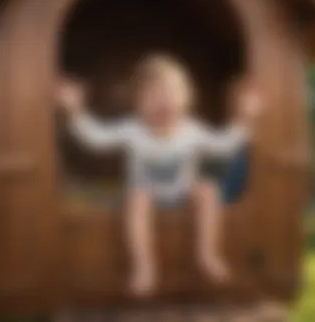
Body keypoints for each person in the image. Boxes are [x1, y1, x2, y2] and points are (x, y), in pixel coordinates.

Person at [56, 54, 263, 297]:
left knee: (208, 189)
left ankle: (207, 254)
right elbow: (97, 140)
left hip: (182, 191)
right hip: (147, 193)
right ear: (137, 104)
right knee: (136, 197)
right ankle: (143, 265)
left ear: (187, 99)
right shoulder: (132, 129)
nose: (163, 102)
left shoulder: (191, 130)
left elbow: (223, 145)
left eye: (171, 94)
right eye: (153, 96)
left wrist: (246, 119)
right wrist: (74, 111)